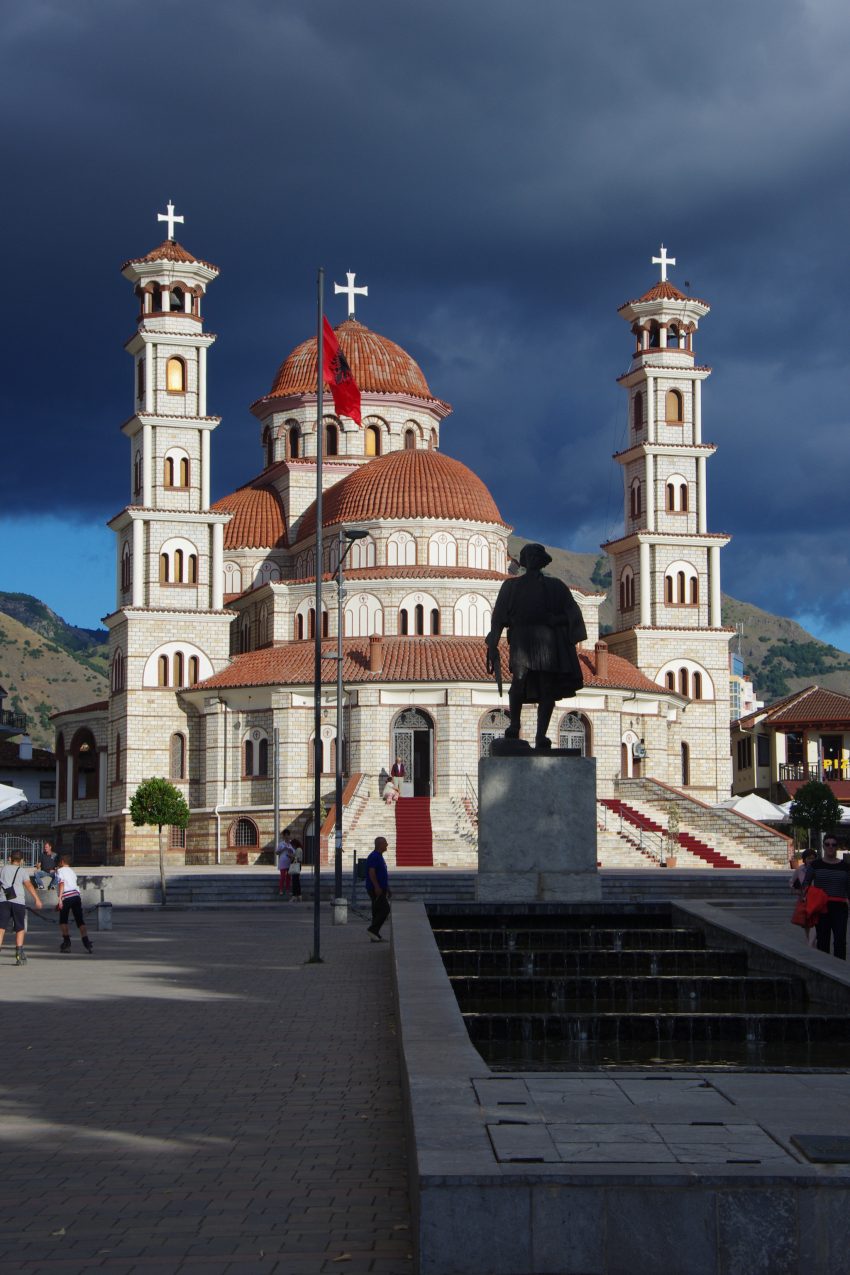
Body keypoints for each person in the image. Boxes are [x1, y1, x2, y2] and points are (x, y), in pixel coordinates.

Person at [485, 542, 587, 749]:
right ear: (523, 560)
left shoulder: (556, 586)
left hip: (547, 644)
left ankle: (541, 735)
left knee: (547, 687)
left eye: (535, 555)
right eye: (528, 555)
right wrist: (493, 643)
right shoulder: (510, 586)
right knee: (518, 681)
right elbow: (498, 617)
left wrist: (554, 619)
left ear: (542, 561)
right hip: (522, 640)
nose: (532, 559)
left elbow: (573, 614)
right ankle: (514, 725)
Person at [804, 835, 850, 959]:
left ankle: (840, 969)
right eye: (827, 844)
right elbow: (806, 884)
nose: (830, 847)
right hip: (821, 907)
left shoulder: (845, 867)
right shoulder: (815, 865)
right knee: (823, 940)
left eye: (833, 844)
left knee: (840, 940)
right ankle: (825, 967)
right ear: (823, 846)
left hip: (840, 907)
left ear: (837, 847)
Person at [0, 849, 43, 965]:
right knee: (19, 927)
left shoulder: (2, 869)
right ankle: (19, 954)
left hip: (4, 900)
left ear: (10, 858)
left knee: (1, 927)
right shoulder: (22, 871)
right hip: (18, 901)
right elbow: (28, 884)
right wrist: (37, 899)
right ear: (22, 860)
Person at [55, 851, 93, 954]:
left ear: (62, 862)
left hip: (66, 896)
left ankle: (66, 942)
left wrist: (59, 899)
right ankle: (86, 941)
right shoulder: (72, 871)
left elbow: (61, 884)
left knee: (63, 920)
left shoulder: (60, 871)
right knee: (79, 920)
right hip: (76, 896)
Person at [365, 835, 391, 942]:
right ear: (380, 844)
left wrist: (387, 888)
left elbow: (382, 874)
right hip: (376, 889)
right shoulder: (374, 856)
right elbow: (372, 872)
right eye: (385, 843)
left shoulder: (379, 856)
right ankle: (372, 930)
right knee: (385, 909)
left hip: (381, 888)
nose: (387, 845)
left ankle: (374, 935)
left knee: (377, 911)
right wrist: (377, 887)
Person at [791, 848, 818, 947]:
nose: (811, 860)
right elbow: (792, 882)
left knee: (815, 922)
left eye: (813, 858)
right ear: (804, 859)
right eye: (809, 858)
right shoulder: (800, 870)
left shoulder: (818, 869)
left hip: (816, 900)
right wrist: (797, 891)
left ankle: (810, 943)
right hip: (804, 899)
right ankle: (811, 942)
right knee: (806, 924)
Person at [277, 829, 294, 896]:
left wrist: (291, 851)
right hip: (283, 862)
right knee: (283, 876)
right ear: (283, 836)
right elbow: (277, 852)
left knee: (288, 877)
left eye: (288, 835)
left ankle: (288, 889)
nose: (287, 837)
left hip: (289, 862)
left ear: (289, 836)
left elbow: (294, 852)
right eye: (285, 836)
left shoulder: (291, 844)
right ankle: (281, 890)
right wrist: (282, 849)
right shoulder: (281, 844)